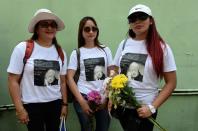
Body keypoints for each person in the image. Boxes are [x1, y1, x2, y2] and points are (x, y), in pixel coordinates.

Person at [111, 4, 177, 131]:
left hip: (144, 109)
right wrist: (111, 95)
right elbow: (115, 70)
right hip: (123, 107)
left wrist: (152, 107)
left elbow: (171, 83)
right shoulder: (124, 44)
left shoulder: (162, 48)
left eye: (142, 17)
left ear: (151, 20)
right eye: (132, 19)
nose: (137, 21)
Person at [7, 9, 67, 131]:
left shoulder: (60, 52)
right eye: (44, 24)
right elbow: (12, 80)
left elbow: (63, 81)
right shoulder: (23, 48)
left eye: (53, 25)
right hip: (32, 106)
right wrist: (19, 109)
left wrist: (64, 105)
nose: (49, 28)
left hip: (55, 103)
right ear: (36, 28)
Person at [67, 16, 112, 131]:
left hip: (103, 98)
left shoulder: (105, 50)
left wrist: (107, 98)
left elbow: (111, 74)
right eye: (87, 29)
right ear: (81, 32)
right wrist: (82, 102)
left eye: (94, 28)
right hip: (83, 96)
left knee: (103, 128)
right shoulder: (77, 53)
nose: (91, 32)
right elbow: (70, 78)